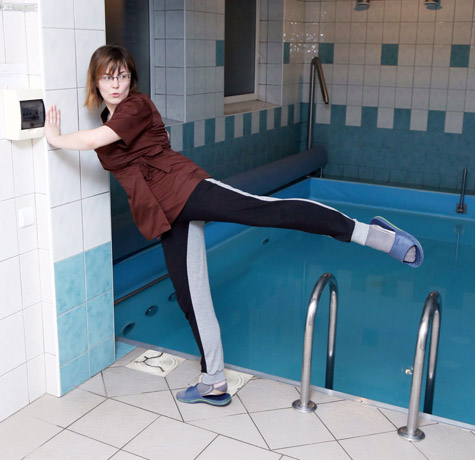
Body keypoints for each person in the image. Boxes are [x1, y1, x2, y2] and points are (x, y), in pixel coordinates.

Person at [45, 45, 423, 407]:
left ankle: (375, 235)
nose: (116, 84)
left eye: (122, 76)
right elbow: (131, 145)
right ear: (96, 82)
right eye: (108, 77)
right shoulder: (109, 118)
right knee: (190, 298)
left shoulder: (136, 106)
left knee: (269, 211)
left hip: (186, 189)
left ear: (132, 79)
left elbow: (97, 141)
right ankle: (213, 381)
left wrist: (55, 139)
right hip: (163, 215)